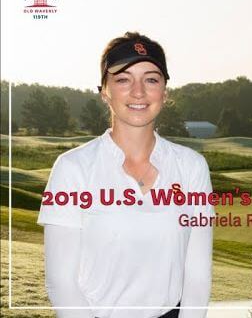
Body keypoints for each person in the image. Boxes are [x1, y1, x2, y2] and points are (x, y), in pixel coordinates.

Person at [38, 32, 213, 318]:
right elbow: (61, 283)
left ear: (165, 93)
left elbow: (197, 276)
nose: (138, 91)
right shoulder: (72, 169)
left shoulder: (192, 167)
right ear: (104, 91)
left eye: (151, 79)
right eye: (123, 79)